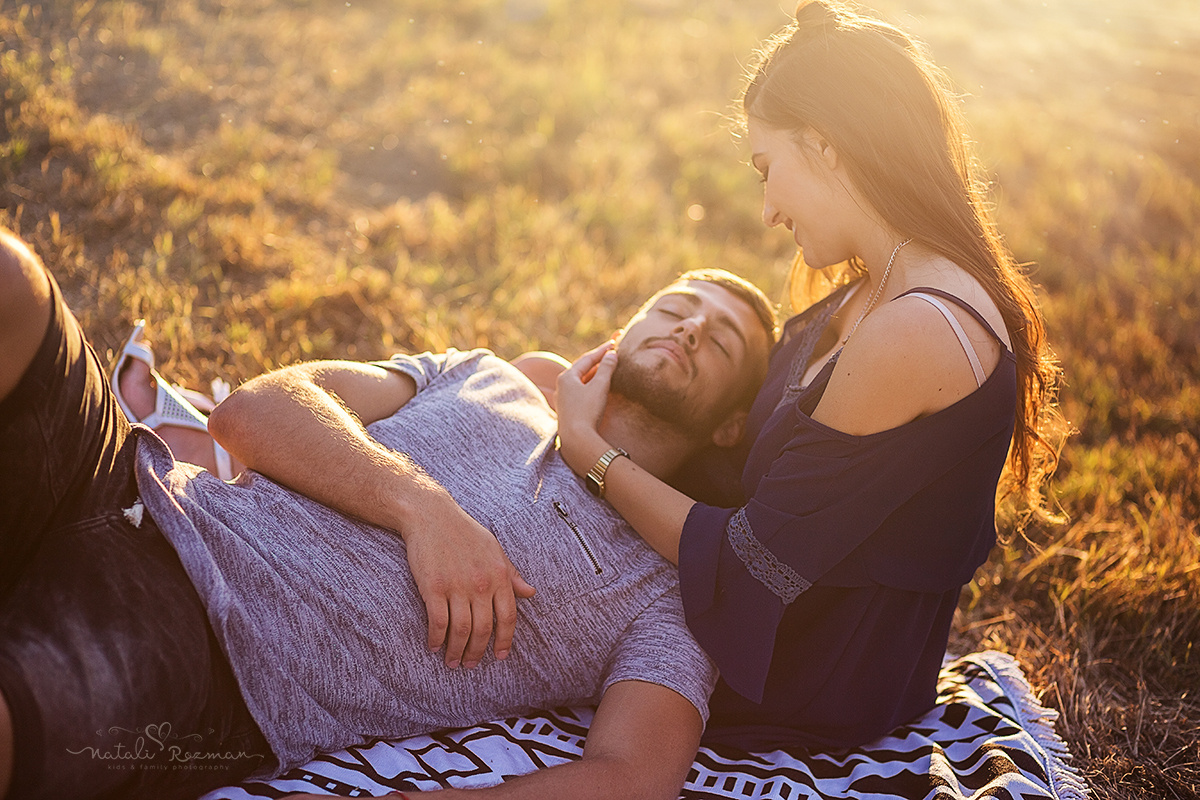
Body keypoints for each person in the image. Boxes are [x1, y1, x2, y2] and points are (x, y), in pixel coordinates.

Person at [0, 225, 775, 800]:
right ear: (622, 331)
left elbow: (632, 776)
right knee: (15, 280)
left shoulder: (668, 583)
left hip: (215, 648)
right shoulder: (485, 375)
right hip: (134, 488)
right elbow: (252, 412)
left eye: (723, 342)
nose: (691, 327)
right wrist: (422, 507)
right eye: (676, 306)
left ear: (729, 427)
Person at [548, 0, 1065, 751]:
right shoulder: (884, 280)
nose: (767, 211)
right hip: (745, 584)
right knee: (525, 395)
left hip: (798, 669)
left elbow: (748, 568)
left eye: (767, 170)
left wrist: (591, 452)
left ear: (825, 145)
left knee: (509, 591)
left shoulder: (917, 330)